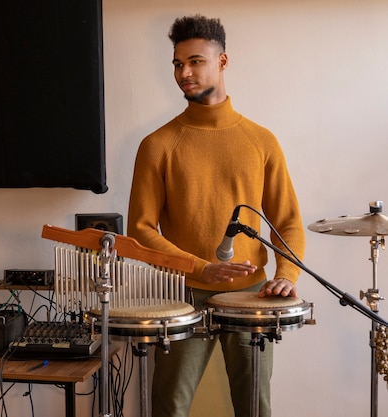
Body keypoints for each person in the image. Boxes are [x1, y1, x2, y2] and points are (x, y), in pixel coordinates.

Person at [127, 15, 305, 417]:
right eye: (176, 64)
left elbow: (288, 222)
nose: (184, 73)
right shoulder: (157, 145)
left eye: (195, 61)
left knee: (254, 407)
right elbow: (139, 231)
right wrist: (199, 268)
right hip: (183, 296)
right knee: (169, 407)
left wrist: (286, 275)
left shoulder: (261, 141)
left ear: (222, 62)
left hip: (252, 295)